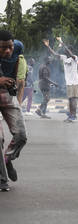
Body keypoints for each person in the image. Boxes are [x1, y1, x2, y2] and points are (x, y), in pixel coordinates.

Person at [0, 30, 29, 190]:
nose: (8, 51)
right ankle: (1, 179)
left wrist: (18, 101)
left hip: (7, 94)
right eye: (3, 48)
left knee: (21, 135)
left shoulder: (18, 47)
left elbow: (20, 77)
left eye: (10, 47)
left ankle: (6, 159)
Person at [43, 38, 78, 122]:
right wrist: (48, 46)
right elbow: (55, 54)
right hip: (69, 83)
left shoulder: (75, 58)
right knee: (70, 100)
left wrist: (62, 43)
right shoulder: (64, 58)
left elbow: (72, 55)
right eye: (66, 50)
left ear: (71, 50)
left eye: (68, 50)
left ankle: (73, 116)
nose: (66, 51)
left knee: (73, 99)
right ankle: (72, 115)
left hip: (74, 82)